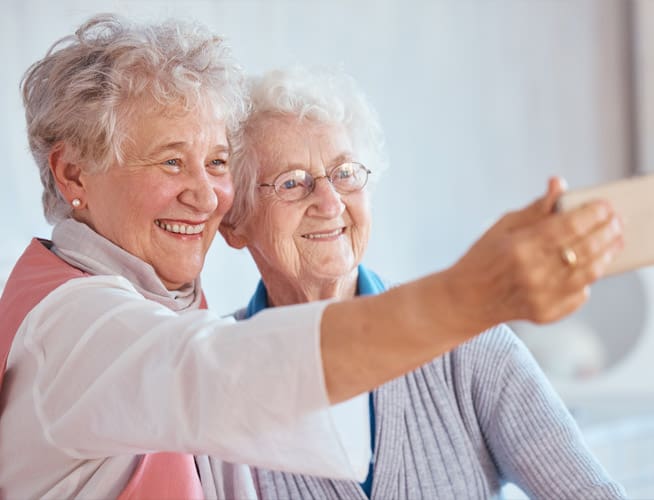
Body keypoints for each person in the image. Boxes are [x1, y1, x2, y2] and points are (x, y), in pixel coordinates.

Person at [0, 13, 622, 500]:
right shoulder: (79, 326)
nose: (201, 193)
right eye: (292, 183)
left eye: (216, 162)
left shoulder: (473, 352)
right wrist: (475, 291)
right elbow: (219, 375)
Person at [219, 66, 627, 499]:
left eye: (344, 174)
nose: (330, 201)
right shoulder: (212, 377)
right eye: (292, 183)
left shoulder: (469, 345)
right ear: (235, 222)